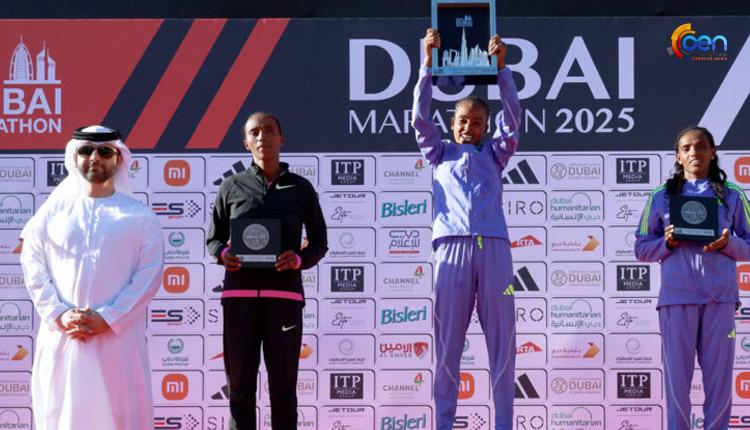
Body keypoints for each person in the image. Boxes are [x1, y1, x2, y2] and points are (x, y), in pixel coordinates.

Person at [19, 125, 164, 429]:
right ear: (75, 157)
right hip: (64, 339)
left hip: (118, 343)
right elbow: (33, 266)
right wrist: (59, 314)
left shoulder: (140, 217)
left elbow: (148, 276)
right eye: (86, 150)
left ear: (119, 159)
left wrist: (108, 317)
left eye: (104, 151)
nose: (94, 157)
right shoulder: (50, 215)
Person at [411, 29, 521, 430]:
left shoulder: (496, 153)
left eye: (477, 122)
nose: (468, 127)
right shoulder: (438, 152)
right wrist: (427, 65)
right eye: (462, 121)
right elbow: (419, 118)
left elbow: (514, 119)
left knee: (503, 346)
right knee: (447, 348)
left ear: (486, 127)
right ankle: (443, 424)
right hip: (450, 249)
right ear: (452, 123)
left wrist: (502, 70)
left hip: (493, 248)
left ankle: (504, 424)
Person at [207, 111, 328, 430]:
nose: (263, 137)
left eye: (270, 130)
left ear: (281, 138)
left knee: (284, 389)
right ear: (246, 143)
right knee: (240, 388)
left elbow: (319, 242)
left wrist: (298, 259)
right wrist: (223, 254)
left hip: (284, 299)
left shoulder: (301, 188)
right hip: (239, 299)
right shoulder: (231, 186)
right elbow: (213, 239)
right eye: (255, 132)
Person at [635, 126, 750, 430]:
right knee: (677, 386)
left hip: (719, 300)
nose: (693, 153)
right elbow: (641, 249)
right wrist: (667, 243)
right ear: (678, 156)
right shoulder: (661, 196)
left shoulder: (733, 194)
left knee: (719, 384)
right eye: (686, 148)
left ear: (712, 152)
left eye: (700, 146)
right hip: (677, 300)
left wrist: (728, 244)